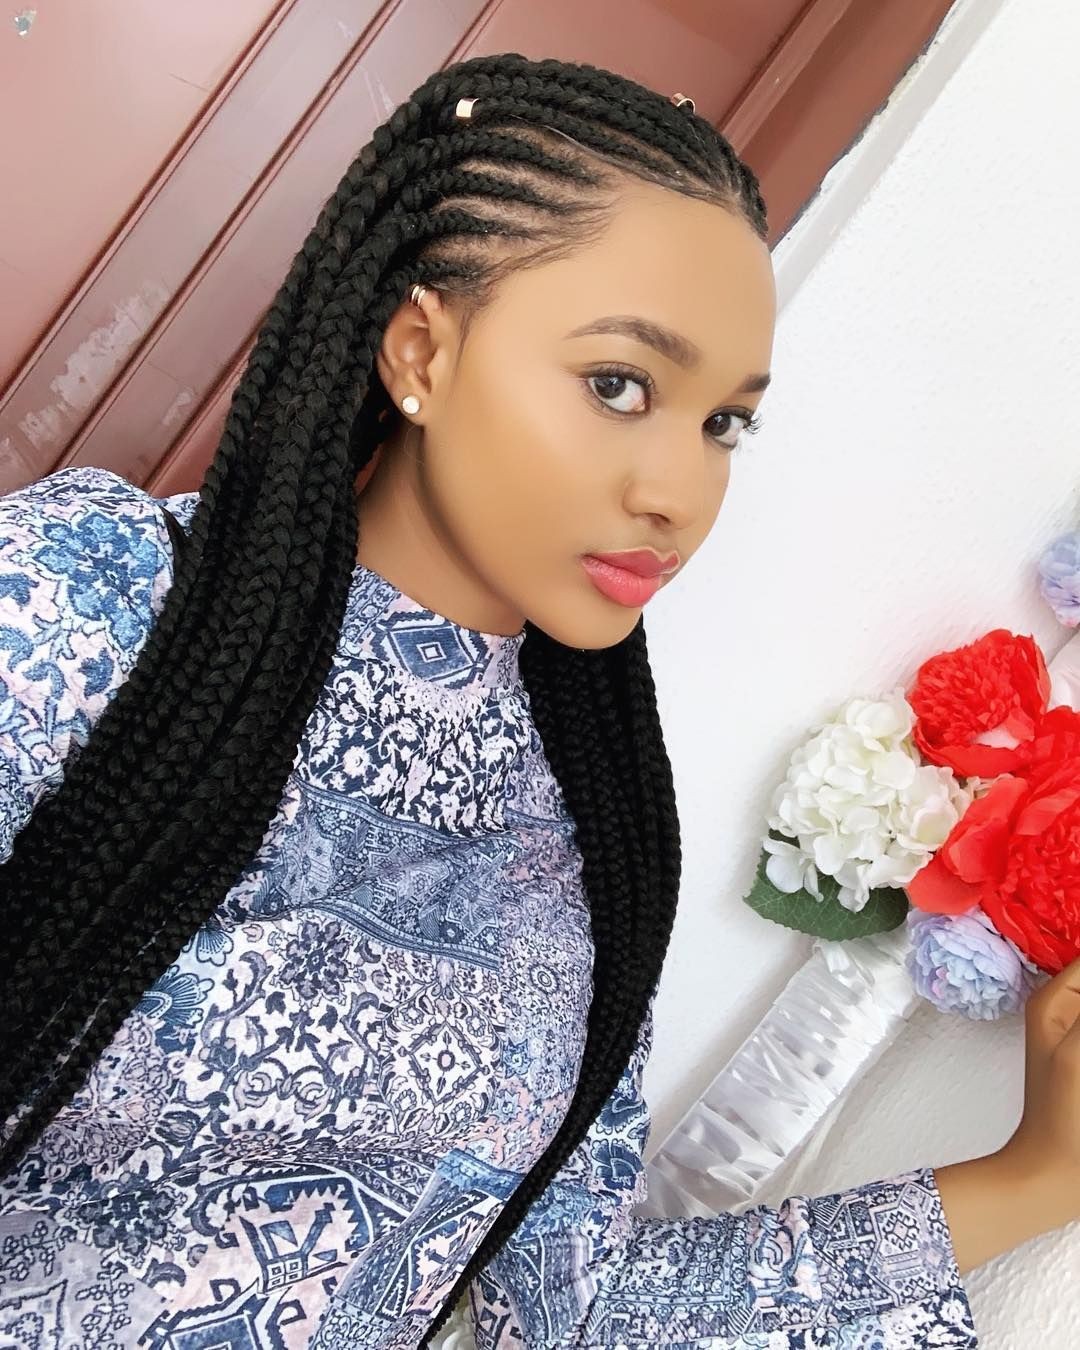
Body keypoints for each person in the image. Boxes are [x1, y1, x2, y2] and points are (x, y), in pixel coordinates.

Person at [0, 51, 1076, 1350]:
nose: (679, 492)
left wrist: (1037, 1177)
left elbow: (572, 1305)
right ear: (420, 351)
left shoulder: (586, 837)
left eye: (723, 424)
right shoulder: (93, 603)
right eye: (620, 385)